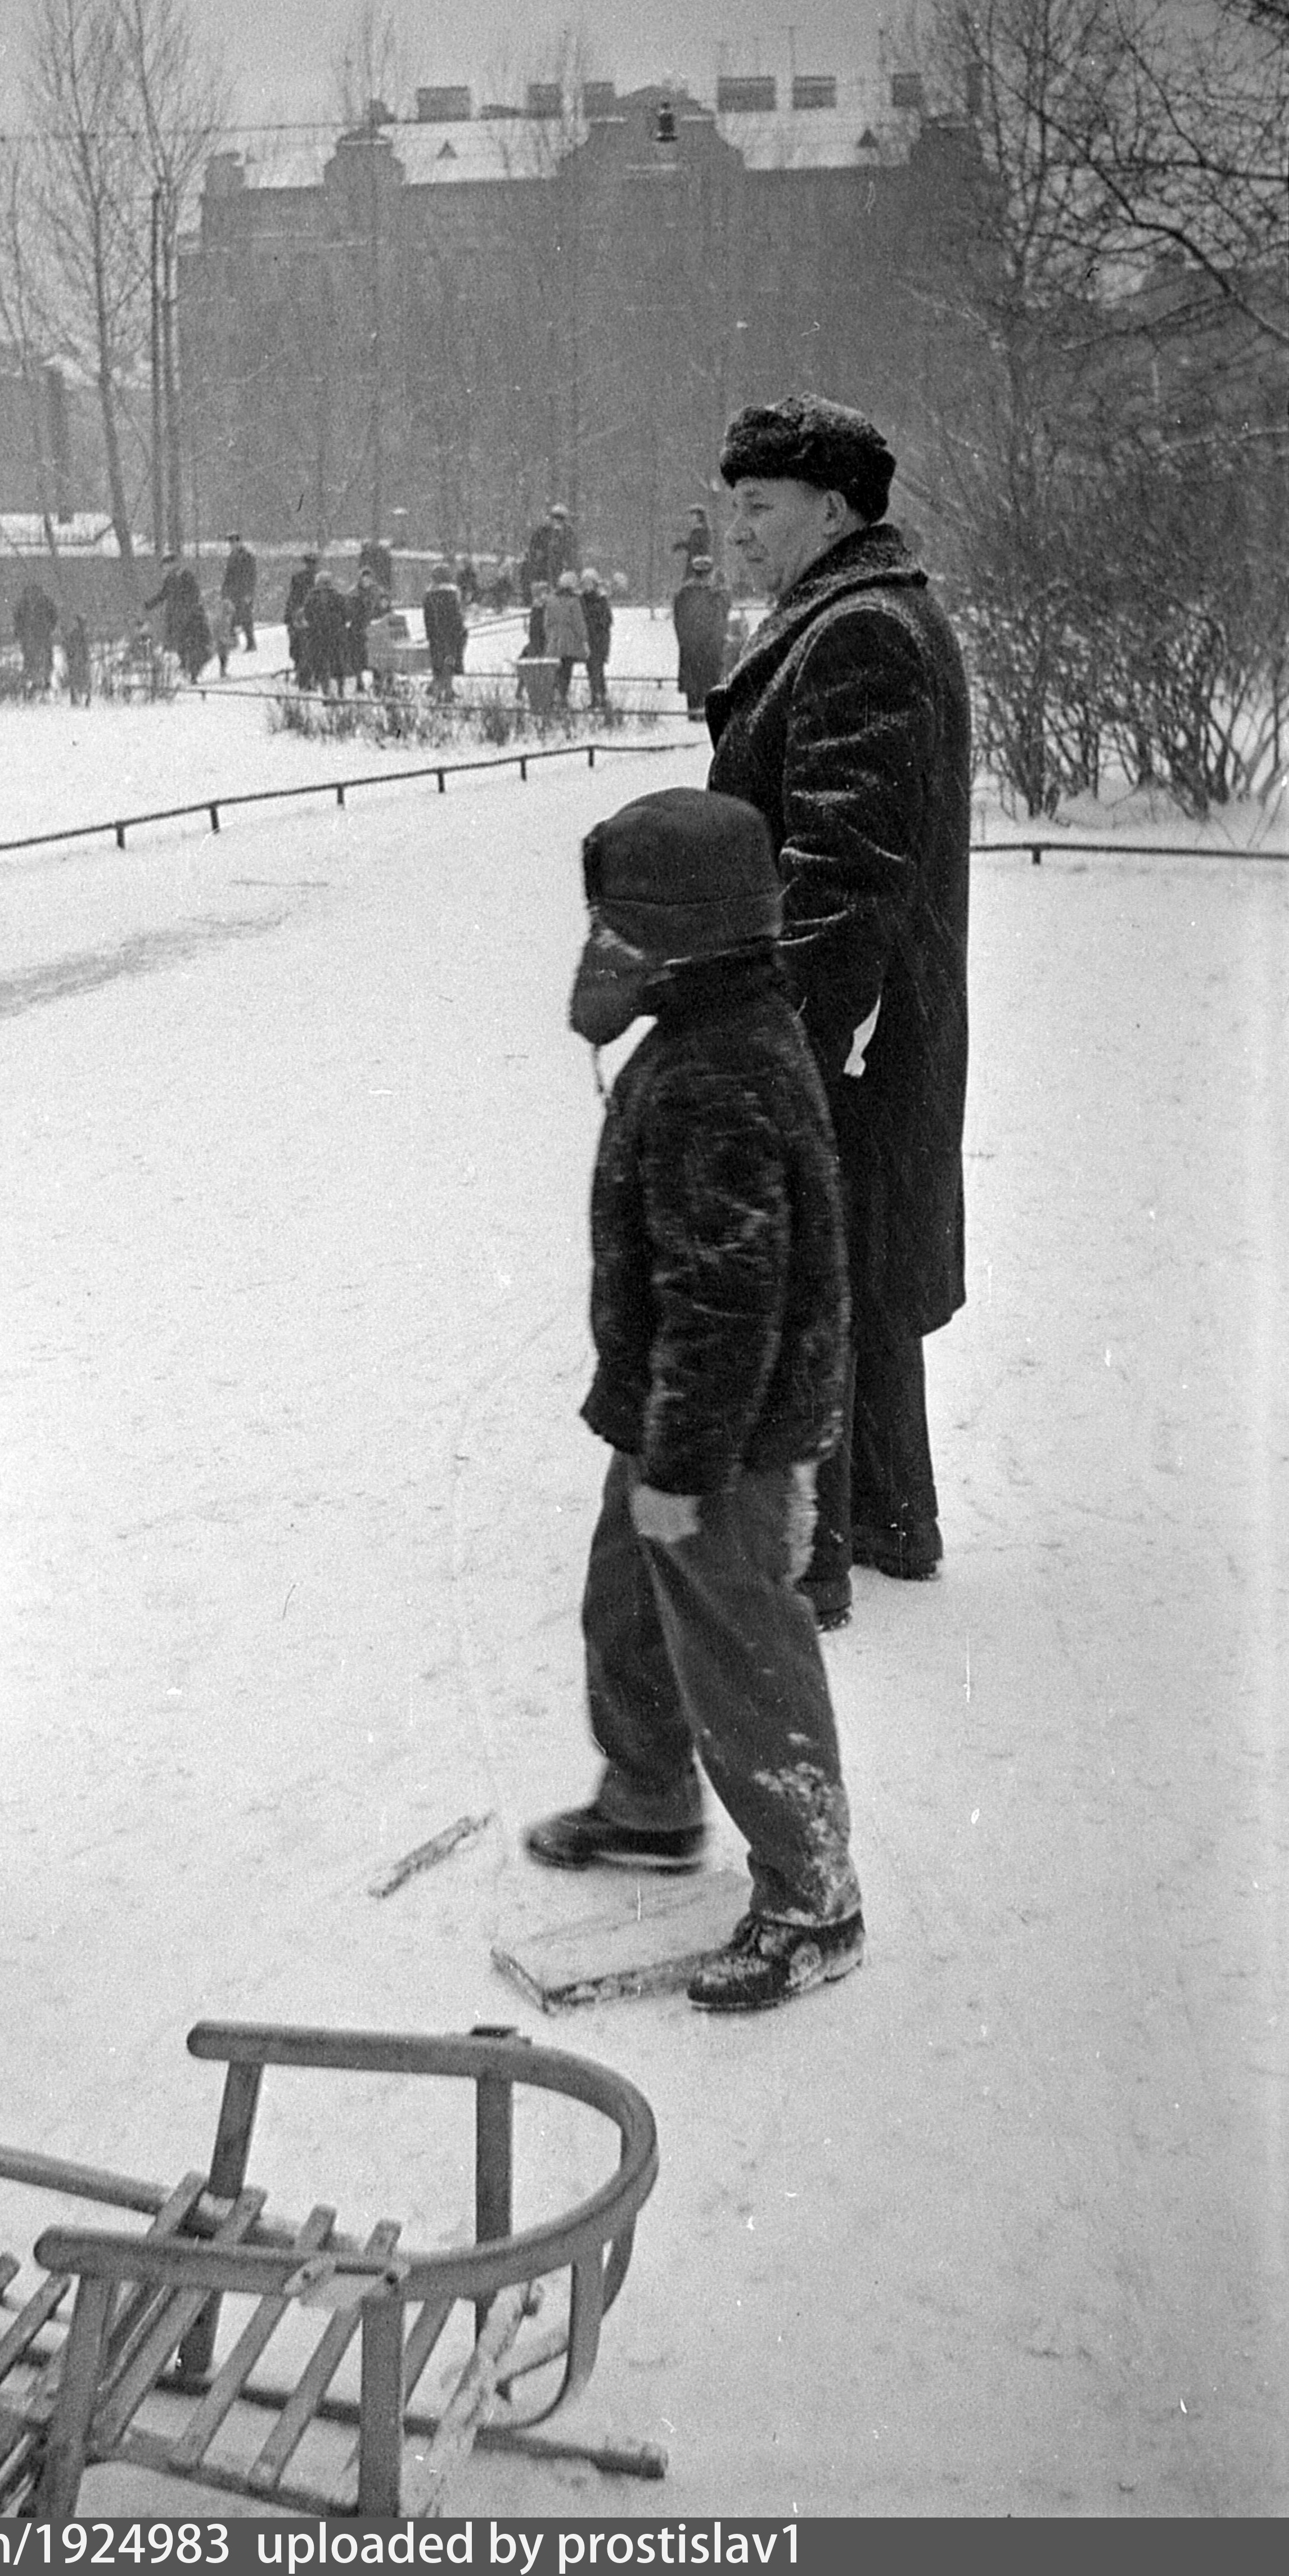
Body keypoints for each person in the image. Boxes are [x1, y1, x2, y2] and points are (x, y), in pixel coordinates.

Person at [524, 789, 863, 2013]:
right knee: (624, 1609)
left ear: (683, 932)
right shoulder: (710, 1028)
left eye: (616, 925)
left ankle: (811, 1898)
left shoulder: (716, 1075)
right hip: (671, 1411)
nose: (597, 949)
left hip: (724, 1432)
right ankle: (651, 1800)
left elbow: (726, 1306)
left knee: (738, 1646)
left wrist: (681, 1469)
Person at [705, 393, 972, 1629]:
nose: (737, 529)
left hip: (847, 1035)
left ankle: (809, 1550)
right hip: (874, 1031)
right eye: (733, 506)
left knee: (814, 1275)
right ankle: (883, 1519)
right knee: (852, 1271)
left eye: (758, 506)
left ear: (831, 509)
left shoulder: (859, 631)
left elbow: (843, 872)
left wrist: (792, 1045)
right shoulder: (864, 613)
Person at [672, 553, 728, 718]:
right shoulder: (715, 594)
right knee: (710, 680)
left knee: (693, 681)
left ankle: (693, 711)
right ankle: (709, 714)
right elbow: (721, 618)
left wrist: (684, 640)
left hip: (690, 645)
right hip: (711, 645)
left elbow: (678, 620)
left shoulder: (684, 593)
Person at [422, 562, 466, 703]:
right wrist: (461, 632)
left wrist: (431, 635)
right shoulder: (452, 594)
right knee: (449, 663)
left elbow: (428, 619)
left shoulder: (430, 594)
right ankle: (446, 690)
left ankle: (439, 691)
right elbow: (457, 617)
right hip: (452, 637)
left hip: (436, 638)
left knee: (439, 665)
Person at [544, 570, 589, 704]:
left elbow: (547, 622)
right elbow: (578, 623)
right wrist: (584, 639)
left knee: (554, 671)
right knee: (566, 670)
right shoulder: (574, 602)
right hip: (569, 640)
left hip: (554, 640)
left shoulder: (551, 600)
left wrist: (550, 636)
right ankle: (563, 697)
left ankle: (552, 696)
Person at [303, 569, 350, 698]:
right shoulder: (338, 596)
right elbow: (347, 615)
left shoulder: (312, 597)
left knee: (322, 664)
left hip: (318, 637)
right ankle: (340, 690)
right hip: (336, 636)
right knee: (339, 663)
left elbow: (307, 615)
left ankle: (326, 691)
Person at [11, 579, 58, 695]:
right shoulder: (43, 601)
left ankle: (38, 681)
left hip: (35, 636)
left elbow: (17, 619)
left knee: (35, 659)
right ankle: (40, 681)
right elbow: (54, 616)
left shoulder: (25, 603)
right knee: (38, 659)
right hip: (37, 635)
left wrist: (19, 632)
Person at [284, 553, 320, 687]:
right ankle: (307, 675)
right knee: (305, 648)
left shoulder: (300, 578)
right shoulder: (317, 579)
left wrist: (290, 616)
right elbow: (293, 598)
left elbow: (293, 598)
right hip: (307, 617)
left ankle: (303, 674)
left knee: (300, 648)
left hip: (303, 617)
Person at [579, 567, 612, 708]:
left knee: (597, 669)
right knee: (592, 670)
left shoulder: (601, 600)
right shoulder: (581, 600)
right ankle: (597, 697)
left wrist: (594, 622)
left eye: (590, 583)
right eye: (585, 583)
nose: (587, 586)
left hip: (599, 639)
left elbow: (607, 619)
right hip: (588, 639)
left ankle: (600, 698)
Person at [220, 532, 258, 651]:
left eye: (234, 542)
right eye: (231, 543)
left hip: (244, 592)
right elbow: (228, 577)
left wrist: (249, 593)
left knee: (246, 617)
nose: (232, 545)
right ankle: (233, 642)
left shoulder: (248, 556)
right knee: (231, 617)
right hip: (233, 593)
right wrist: (224, 593)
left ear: (240, 542)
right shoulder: (231, 557)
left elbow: (252, 576)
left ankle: (251, 643)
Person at [62, 611, 92, 706]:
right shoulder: (80, 634)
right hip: (79, 660)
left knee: (77, 679)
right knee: (80, 679)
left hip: (77, 660)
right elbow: (83, 648)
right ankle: (81, 697)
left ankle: (78, 698)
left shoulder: (76, 634)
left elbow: (68, 646)